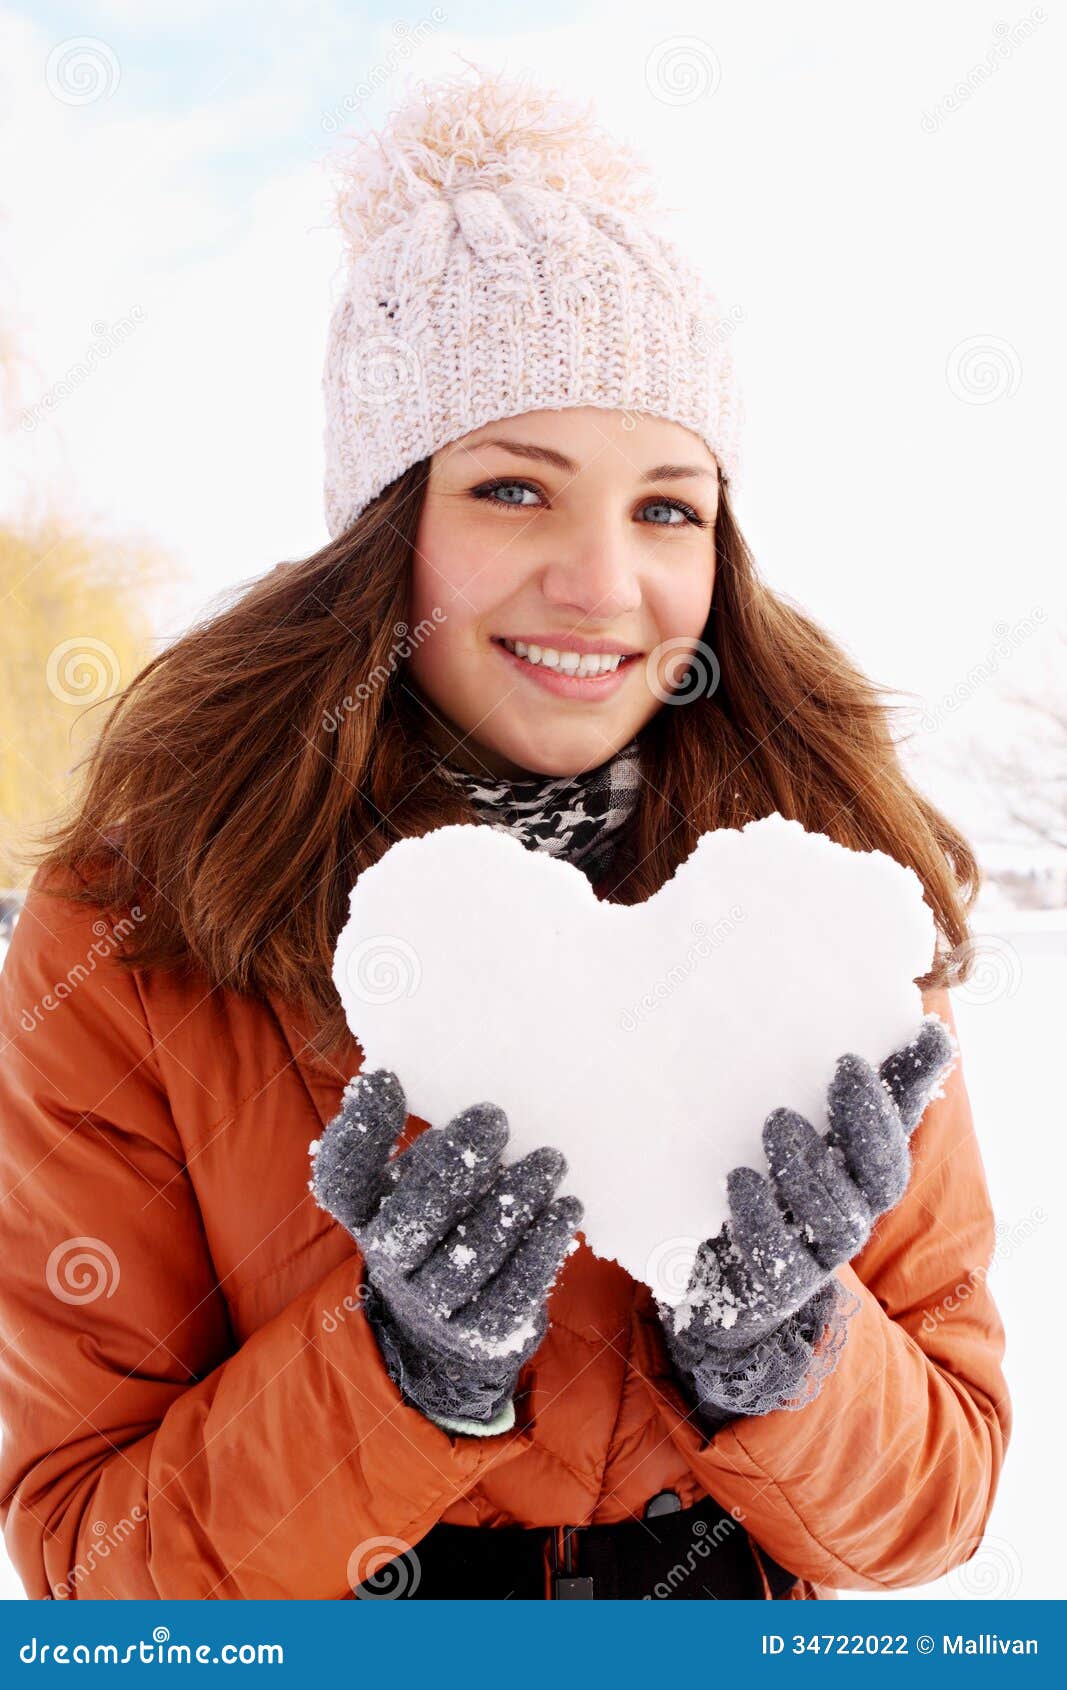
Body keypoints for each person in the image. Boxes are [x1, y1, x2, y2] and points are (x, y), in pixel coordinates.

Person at [0, 62, 1009, 1601]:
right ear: (383, 527)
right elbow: (88, 1560)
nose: (606, 583)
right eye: (515, 488)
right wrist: (401, 1373)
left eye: (669, 507)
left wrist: (790, 1358)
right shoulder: (140, 926)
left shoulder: (814, 884)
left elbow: (939, 1504)